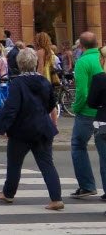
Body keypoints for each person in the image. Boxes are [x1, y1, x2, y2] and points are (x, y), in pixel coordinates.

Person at [0, 47, 63, 210]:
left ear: (19, 64)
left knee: (14, 163)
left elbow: (12, 108)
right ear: (35, 63)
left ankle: (8, 193)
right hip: (42, 127)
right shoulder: (44, 81)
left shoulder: (17, 83)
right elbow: (51, 103)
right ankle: (56, 199)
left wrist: (5, 127)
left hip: (21, 130)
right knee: (47, 164)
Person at [69, 31, 106, 199]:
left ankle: (87, 185)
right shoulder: (101, 58)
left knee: (78, 144)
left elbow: (82, 92)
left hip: (87, 111)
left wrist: (76, 108)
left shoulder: (82, 62)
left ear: (81, 46)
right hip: (103, 111)